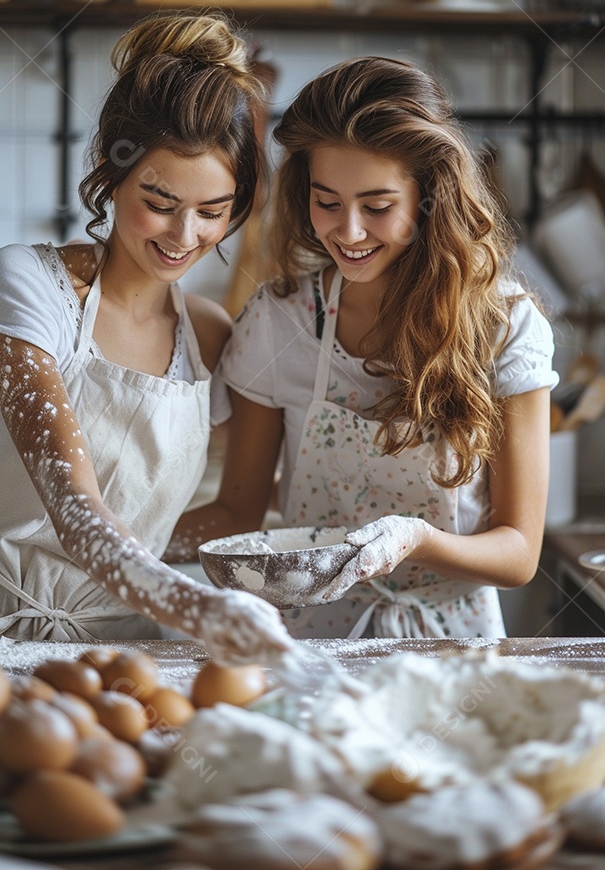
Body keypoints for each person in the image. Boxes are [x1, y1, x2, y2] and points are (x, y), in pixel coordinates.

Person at [191, 55, 557, 639]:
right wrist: (104, 541)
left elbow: (518, 554)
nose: (349, 231)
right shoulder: (278, 322)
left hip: (454, 651)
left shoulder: (502, 325)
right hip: (313, 647)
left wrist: (412, 540)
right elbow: (238, 512)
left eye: (379, 207)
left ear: (428, 195)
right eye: (327, 201)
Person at [0, 9, 290, 661]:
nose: (183, 237)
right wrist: (199, 604)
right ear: (111, 165)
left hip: (130, 652)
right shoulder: (31, 288)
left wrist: (154, 559)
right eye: (159, 203)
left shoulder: (211, 337)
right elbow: (74, 510)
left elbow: (238, 512)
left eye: (212, 213)